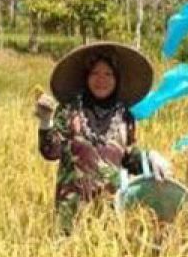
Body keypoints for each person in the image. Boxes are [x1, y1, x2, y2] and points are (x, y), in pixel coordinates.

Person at [35, 42, 171, 234]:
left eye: (108, 74)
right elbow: (51, 151)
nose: (101, 80)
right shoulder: (70, 110)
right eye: (95, 73)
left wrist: (150, 157)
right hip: (71, 213)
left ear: (116, 79)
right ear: (86, 77)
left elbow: (128, 158)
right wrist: (46, 121)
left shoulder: (124, 116)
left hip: (109, 216)